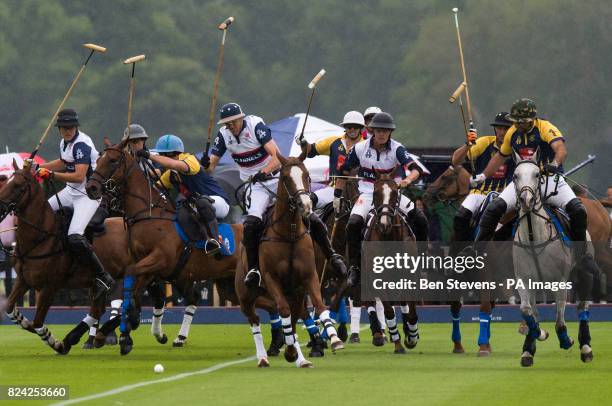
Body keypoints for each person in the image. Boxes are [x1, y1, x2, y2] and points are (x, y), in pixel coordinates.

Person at [204, 102, 346, 288]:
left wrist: (264, 171)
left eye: (233, 121)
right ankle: (254, 269)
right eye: (227, 123)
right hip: (255, 186)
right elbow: (210, 168)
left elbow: (276, 156)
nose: (230, 125)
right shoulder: (223, 136)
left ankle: (332, 255)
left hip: (277, 178)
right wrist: (206, 164)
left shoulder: (256, 126)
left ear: (241, 118)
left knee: (307, 212)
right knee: (252, 222)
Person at [471, 99, 596, 271]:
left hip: (549, 179)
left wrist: (554, 162)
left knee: (578, 209)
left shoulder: (544, 128)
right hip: (523, 180)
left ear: (531, 119)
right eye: (515, 121)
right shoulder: (512, 132)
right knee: (493, 209)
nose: (517, 125)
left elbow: (561, 149)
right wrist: (483, 175)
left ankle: (582, 256)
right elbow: (500, 156)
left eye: (520, 121)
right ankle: (476, 252)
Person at [334, 112, 429, 286]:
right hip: (368, 194)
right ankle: (355, 267)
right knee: (353, 224)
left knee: (421, 219)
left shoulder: (397, 148)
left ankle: (422, 263)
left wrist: (407, 180)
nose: (382, 134)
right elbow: (344, 171)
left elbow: (416, 169)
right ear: (372, 131)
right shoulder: (360, 148)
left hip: (392, 193)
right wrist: (337, 195)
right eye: (378, 130)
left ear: (390, 132)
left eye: (385, 131)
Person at [35, 108, 114, 298]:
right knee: (42, 213)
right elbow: (63, 162)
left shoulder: (81, 145)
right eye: (64, 127)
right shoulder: (64, 143)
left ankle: (103, 276)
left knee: (75, 235)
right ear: (59, 129)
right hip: (71, 192)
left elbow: (79, 176)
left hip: (88, 195)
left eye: (70, 127)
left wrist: (50, 175)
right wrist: (38, 166)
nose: (67, 130)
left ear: (76, 127)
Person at [137, 134, 230, 250]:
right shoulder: (170, 174)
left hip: (218, 203)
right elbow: (153, 190)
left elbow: (173, 164)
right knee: (178, 211)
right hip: (196, 206)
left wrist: (149, 155)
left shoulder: (190, 160)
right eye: (160, 155)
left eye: (162, 155)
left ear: (173, 154)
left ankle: (214, 240)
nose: (161, 158)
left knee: (201, 202)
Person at [450, 112, 514, 250]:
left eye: (506, 128)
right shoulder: (485, 142)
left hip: (506, 195)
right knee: (460, 217)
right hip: (480, 192)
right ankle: (460, 257)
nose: (502, 132)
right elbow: (455, 160)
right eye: (499, 128)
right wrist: (468, 143)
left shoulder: (516, 147)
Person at [300, 110, 365, 209]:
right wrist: (303, 142)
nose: (352, 129)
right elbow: (310, 152)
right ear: (344, 127)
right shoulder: (333, 142)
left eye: (355, 126)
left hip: (359, 191)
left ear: (361, 128)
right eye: (349, 126)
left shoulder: (367, 146)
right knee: (310, 200)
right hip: (333, 190)